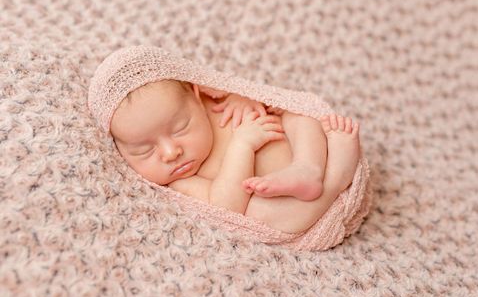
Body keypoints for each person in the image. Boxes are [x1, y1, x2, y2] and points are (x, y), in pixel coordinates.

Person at [109, 79, 361, 233]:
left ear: (196, 96)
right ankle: (336, 180)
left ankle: (308, 168)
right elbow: (228, 208)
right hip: (301, 210)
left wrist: (243, 98)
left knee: (299, 114)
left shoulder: (213, 100)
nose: (170, 152)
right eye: (144, 150)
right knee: (260, 214)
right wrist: (242, 145)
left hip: (309, 154)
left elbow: (266, 98)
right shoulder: (181, 182)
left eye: (180, 128)